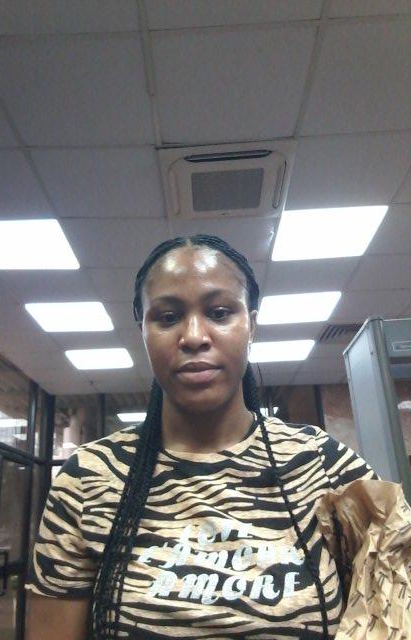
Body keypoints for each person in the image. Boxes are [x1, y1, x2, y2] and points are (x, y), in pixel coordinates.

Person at [25, 234, 376, 640]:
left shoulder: (326, 466)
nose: (193, 336)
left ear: (252, 326)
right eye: (168, 317)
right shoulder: (88, 478)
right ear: (143, 332)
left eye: (220, 312)